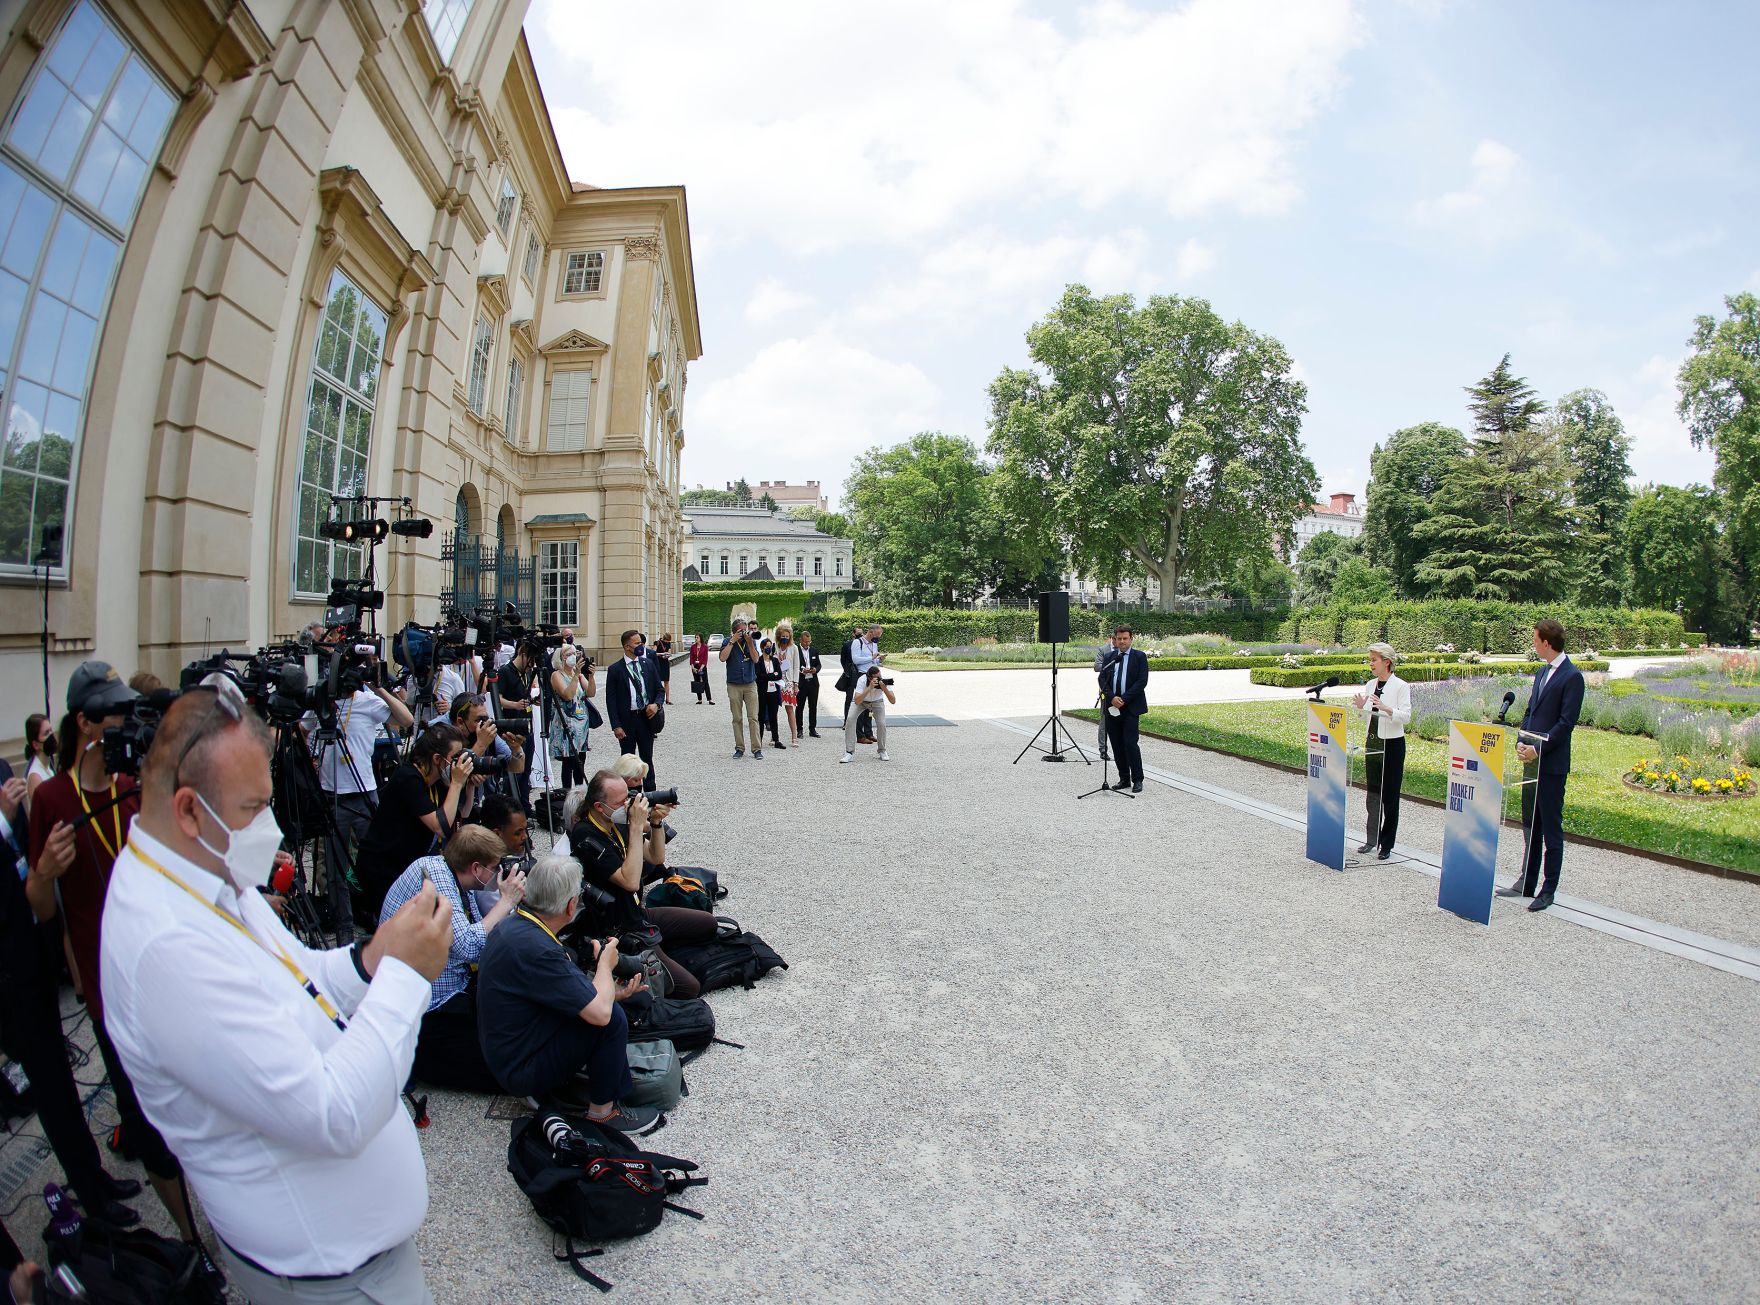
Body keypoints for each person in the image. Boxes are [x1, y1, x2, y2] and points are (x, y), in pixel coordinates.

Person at [101, 684, 454, 1300]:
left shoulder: (209, 875)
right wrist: (408, 975)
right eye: (253, 807)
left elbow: (303, 979)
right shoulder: (165, 948)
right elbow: (332, 1114)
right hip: (323, 1275)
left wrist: (373, 959)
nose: (270, 827)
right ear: (188, 811)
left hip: (351, 1259)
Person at [27, 664, 202, 1248]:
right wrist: (46, 873)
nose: (129, 722)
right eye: (117, 714)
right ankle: (186, 1238)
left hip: (165, 966)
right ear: (85, 722)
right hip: (106, 980)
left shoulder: (135, 786)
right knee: (139, 1110)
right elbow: (42, 909)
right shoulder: (52, 798)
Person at [0, 772, 144, 1228]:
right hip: (9, 982)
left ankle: (93, 1177)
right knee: (51, 1089)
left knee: (61, 1080)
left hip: (31, 960)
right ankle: (92, 1199)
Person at [475, 851, 658, 1133]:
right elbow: (599, 1014)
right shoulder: (540, 950)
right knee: (612, 1020)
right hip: (520, 1070)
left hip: (507, 1051)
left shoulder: (515, 926)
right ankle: (603, 1114)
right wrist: (606, 967)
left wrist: (611, 992)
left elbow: (558, 991)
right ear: (571, 906)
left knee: (604, 1002)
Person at [379, 824, 524, 1093]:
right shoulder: (435, 879)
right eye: (494, 868)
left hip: (449, 983)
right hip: (428, 1005)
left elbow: (483, 933)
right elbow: (468, 946)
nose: (497, 874)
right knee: (500, 1071)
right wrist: (505, 901)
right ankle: (417, 1057)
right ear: (476, 868)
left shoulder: (450, 871)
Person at [567, 770, 717, 997]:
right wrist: (636, 827)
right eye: (621, 802)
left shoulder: (615, 821)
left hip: (637, 914)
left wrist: (655, 823)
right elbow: (630, 881)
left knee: (708, 923)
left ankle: (659, 955)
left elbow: (656, 858)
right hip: (619, 930)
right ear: (599, 806)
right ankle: (644, 959)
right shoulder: (585, 836)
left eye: (629, 797)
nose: (629, 805)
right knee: (690, 988)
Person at [315, 665, 414, 945]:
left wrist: (377, 686)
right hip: (331, 793)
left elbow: (405, 719)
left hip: (364, 791)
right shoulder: (323, 703)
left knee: (376, 859)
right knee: (334, 866)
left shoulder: (369, 702)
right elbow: (304, 727)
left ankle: (381, 914)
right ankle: (344, 925)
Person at [1497, 619, 1584, 912]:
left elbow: (1565, 724)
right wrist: (1522, 740)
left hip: (1551, 765)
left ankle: (1548, 889)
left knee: (1550, 828)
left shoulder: (1572, 677)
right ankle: (1527, 880)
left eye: (1535, 639)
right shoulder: (1541, 671)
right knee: (1531, 825)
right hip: (1530, 762)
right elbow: (1530, 711)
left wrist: (1538, 749)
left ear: (1547, 642)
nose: (1533, 644)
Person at [353, 724, 475, 926]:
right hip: (382, 868)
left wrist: (469, 786)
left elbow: (461, 813)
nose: (457, 764)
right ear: (437, 759)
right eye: (455, 758)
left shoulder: (435, 782)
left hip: (404, 864)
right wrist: (457, 784)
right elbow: (440, 826)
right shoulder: (408, 778)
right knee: (399, 930)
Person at [1352, 643, 1412, 860]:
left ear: (1387, 662)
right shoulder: (1370, 685)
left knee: (1390, 796)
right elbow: (1365, 716)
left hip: (1393, 745)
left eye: (1374, 660)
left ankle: (1386, 845)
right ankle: (1371, 839)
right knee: (1373, 794)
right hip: (1372, 743)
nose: (1371, 664)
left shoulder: (1400, 686)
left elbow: (1405, 716)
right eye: (1370, 660)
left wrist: (1387, 709)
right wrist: (1360, 708)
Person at [605, 629, 662, 790]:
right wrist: (616, 725)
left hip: (645, 718)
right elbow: (611, 699)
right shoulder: (615, 669)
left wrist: (656, 705)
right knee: (628, 762)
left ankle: (651, 796)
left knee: (647, 759)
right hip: (627, 720)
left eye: (641, 643)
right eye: (637, 643)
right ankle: (630, 796)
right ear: (627, 647)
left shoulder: (648, 664)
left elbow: (659, 690)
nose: (641, 646)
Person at [1098, 625, 1148, 793]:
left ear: (1131, 639)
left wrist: (1124, 699)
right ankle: (1124, 778)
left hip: (1130, 707)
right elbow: (1102, 678)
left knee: (1130, 743)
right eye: (1119, 639)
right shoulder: (1110, 657)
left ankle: (1138, 779)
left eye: (1125, 638)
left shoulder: (1139, 657)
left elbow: (1142, 681)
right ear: (1115, 639)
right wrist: (1112, 697)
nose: (1122, 641)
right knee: (1117, 744)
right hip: (1112, 707)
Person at [548, 644, 595, 793]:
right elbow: (567, 695)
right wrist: (576, 676)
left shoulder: (579, 674)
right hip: (566, 724)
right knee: (568, 762)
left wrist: (590, 676)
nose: (573, 656)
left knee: (580, 761)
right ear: (561, 657)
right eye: (569, 654)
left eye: (575, 653)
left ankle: (580, 792)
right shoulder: (557, 675)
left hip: (581, 724)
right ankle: (566, 793)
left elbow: (591, 693)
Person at [494, 641, 536, 808]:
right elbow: (498, 698)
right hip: (512, 726)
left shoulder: (527, 672)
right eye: (530, 660)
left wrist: (533, 701)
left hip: (528, 725)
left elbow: (525, 695)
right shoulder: (506, 671)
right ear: (522, 654)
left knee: (526, 770)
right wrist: (515, 705)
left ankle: (524, 805)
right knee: (515, 771)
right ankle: (511, 805)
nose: (532, 665)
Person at [719, 616, 763, 758]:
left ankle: (757, 749)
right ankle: (739, 748)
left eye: (745, 630)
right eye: (741, 631)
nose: (744, 633)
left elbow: (756, 659)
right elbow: (722, 658)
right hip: (734, 685)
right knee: (737, 718)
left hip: (750, 684)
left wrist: (750, 643)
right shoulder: (727, 641)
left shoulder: (751, 642)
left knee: (753, 718)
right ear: (734, 632)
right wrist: (732, 641)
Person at [841, 665, 896, 762]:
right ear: (870, 678)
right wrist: (869, 687)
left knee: (882, 724)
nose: (879, 678)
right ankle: (849, 752)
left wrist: (884, 688)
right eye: (877, 677)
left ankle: (882, 750)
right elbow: (857, 700)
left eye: (880, 676)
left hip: (877, 702)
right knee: (850, 719)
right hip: (861, 701)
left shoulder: (885, 680)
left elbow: (893, 701)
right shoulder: (862, 680)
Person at [756, 637, 786, 750]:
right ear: (762, 648)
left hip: (773, 691)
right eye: (767, 647)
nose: (769, 648)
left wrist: (769, 677)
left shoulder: (774, 660)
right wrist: (772, 675)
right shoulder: (758, 661)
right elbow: (759, 676)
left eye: (770, 646)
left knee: (774, 716)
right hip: (763, 692)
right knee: (761, 716)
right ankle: (759, 740)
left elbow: (779, 675)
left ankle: (776, 739)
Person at [22, 712, 55, 815]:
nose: (51, 736)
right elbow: (42, 814)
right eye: (46, 733)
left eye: (51, 730)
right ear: (36, 745)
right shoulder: (35, 777)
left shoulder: (48, 766)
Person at [777, 624, 802, 743]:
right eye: (783, 636)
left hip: (788, 681)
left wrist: (796, 684)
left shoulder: (794, 648)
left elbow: (796, 666)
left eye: (787, 636)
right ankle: (774, 736)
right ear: (779, 636)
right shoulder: (774, 646)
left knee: (790, 709)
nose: (785, 638)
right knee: (774, 709)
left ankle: (794, 736)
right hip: (776, 681)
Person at [795, 629, 823, 737]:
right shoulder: (796, 650)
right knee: (800, 706)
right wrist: (802, 670)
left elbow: (819, 664)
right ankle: (799, 729)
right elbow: (793, 665)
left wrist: (815, 669)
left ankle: (812, 729)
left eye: (809, 642)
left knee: (813, 706)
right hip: (801, 682)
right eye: (805, 642)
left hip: (813, 682)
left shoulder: (814, 651)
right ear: (801, 640)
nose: (807, 644)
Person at [689, 633, 713, 704]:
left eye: (697, 637)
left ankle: (709, 699)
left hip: (702, 666)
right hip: (695, 666)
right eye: (695, 637)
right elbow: (691, 658)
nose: (696, 639)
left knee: (705, 682)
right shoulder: (693, 647)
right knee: (697, 682)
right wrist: (692, 667)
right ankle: (699, 699)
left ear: (700, 638)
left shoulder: (705, 647)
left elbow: (705, 658)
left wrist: (702, 667)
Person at [653, 633, 675, 705]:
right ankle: (657, 699)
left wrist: (668, 654)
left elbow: (669, 651)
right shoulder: (657, 643)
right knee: (658, 681)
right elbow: (653, 653)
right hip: (658, 663)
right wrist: (662, 654)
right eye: (667, 641)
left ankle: (667, 700)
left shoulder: (668, 644)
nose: (668, 642)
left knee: (666, 681)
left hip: (665, 663)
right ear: (664, 639)